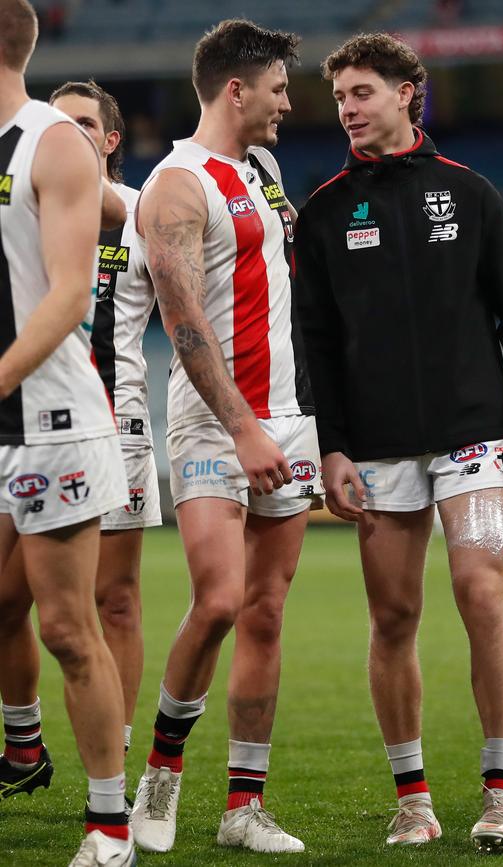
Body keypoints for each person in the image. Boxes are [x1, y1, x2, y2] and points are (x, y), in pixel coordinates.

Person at [294, 32, 503, 853]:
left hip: (472, 431)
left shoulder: (469, 192)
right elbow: (316, 341)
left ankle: (501, 789)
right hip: (373, 446)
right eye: (340, 96)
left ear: (410, 92)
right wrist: (330, 446)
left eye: (363, 92)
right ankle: (413, 797)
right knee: (395, 613)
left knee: (483, 593)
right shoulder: (326, 209)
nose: (347, 108)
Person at [130, 19, 322, 855]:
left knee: (267, 612)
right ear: (235, 89)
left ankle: (244, 806)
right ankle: (161, 776)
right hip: (216, 421)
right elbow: (181, 316)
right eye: (278, 87)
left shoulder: (266, 170)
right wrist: (244, 429)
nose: (288, 101)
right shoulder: (176, 184)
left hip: (289, 416)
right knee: (217, 601)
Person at [0, 2, 134, 865]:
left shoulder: (54, 142)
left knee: (68, 628)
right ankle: (23, 746)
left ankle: (110, 824)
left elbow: (68, 294)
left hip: (46, 417)